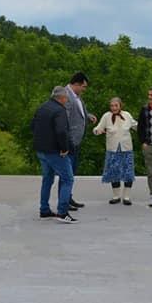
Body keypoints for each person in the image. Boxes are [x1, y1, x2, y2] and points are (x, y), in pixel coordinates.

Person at [32, 86, 77, 224]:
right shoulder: (60, 110)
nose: (67, 100)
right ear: (62, 98)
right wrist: (64, 148)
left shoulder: (42, 108)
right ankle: (62, 212)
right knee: (68, 178)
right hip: (54, 152)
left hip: (41, 150)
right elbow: (62, 131)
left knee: (47, 179)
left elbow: (32, 126)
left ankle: (44, 209)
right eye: (66, 98)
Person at [93, 97, 138, 205]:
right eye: (112, 106)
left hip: (126, 149)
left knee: (128, 172)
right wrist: (98, 131)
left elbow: (136, 126)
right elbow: (97, 128)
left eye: (116, 105)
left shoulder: (127, 115)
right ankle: (116, 196)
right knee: (113, 172)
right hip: (112, 149)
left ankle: (126, 197)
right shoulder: (106, 116)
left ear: (120, 106)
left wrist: (146, 127)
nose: (113, 108)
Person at [63, 72, 96, 210]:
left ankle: (68, 197)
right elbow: (63, 119)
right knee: (67, 173)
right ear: (76, 84)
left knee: (72, 171)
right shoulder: (66, 96)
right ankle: (63, 201)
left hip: (76, 140)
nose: (84, 89)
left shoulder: (76, 96)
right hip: (69, 140)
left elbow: (79, 112)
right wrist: (66, 140)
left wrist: (88, 116)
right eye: (83, 86)